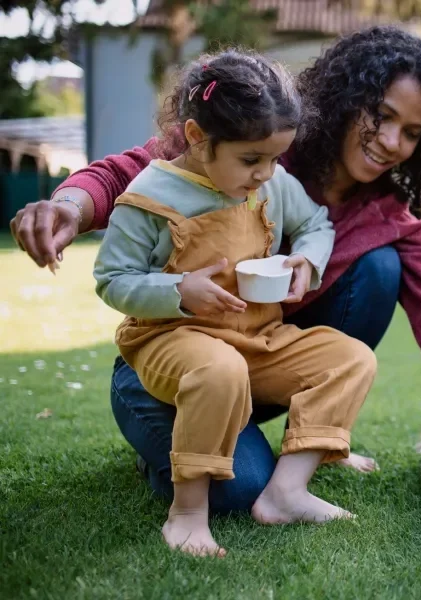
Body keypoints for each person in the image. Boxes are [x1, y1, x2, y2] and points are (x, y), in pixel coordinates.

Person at [10, 25, 421, 516]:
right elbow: (126, 173)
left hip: (259, 358)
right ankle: (167, 442)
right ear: (347, 99)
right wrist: (69, 207)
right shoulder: (261, 149)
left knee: (377, 268)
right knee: (237, 493)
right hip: (174, 362)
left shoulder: (386, 215)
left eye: (413, 131)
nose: (392, 142)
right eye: (382, 116)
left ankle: (311, 441)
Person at [94, 49, 377, 557]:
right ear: (199, 138)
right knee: (220, 371)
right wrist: (178, 292)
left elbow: (316, 224)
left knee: (350, 358)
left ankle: (288, 491)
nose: (266, 173)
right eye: (251, 160)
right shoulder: (150, 197)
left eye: (274, 158)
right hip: (171, 339)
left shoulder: (270, 185)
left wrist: (306, 262)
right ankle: (186, 513)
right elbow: (112, 279)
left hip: (256, 336)